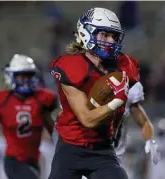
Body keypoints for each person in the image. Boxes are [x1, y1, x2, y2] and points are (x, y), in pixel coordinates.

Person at [48, 7, 141, 179]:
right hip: (71, 148)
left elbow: (117, 116)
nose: (111, 41)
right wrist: (116, 101)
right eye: (104, 35)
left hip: (102, 150)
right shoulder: (72, 67)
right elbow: (87, 119)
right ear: (86, 32)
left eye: (114, 36)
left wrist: (112, 132)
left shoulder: (124, 65)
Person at [0, 54, 58, 179]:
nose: (26, 80)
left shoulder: (41, 99)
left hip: (34, 161)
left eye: (29, 76)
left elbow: (51, 126)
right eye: (22, 76)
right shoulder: (2, 101)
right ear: (11, 76)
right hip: (14, 161)